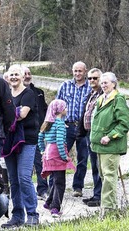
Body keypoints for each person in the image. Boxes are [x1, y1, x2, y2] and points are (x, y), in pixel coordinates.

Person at [1, 65, 39, 228]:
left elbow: (22, 114)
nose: (14, 77)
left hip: (27, 140)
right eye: (12, 75)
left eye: (17, 74)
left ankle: (32, 214)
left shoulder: (28, 94)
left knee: (24, 177)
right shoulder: (6, 94)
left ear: (23, 77)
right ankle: (17, 216)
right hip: (9, 140)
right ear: (7, 78)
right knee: (13, 180)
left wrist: (5, 113)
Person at [90, 72, 129, 214]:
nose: (103, 85)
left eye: (106, 82)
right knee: (103, 177)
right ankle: (106, 207)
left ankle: (108, 210)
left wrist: (110, 136)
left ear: (114, 83)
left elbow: (124, 124)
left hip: (111, 146)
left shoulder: (118, 99)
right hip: (99, 146)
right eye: (102, 82)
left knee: (109, 177)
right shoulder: (101, 98)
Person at [56, 61, 91, 198]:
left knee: (83, 157)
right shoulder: (65, 85)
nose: (77, 74)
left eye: (80, 71)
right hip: (67, 125)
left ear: (85, 71)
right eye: (75, 71)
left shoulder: (90, 87)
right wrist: (58, 123)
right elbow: (56, 105)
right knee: (60, 156)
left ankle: (78, 186)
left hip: (83, 126)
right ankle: (56, 186)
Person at [38, 99, 73, 218]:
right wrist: (65, 157)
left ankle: (48, 202)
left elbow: (40, 137)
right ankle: (55, 208)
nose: (67, 110)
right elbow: (59, 141)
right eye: (65, 108)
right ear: (60, 110)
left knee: (56, 180)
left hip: (48, 154)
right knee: (60, 182)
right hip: (57, 155)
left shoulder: (48, 123)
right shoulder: (60, 124)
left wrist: (43, 150)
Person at [23, 66, 49, 200]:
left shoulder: (39, 92)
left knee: (41, 162)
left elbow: (45, 111)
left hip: (38, 134)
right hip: (21, 135)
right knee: (24, 166)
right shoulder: (14, 92)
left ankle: (43, 189)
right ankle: (25, 192)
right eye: (24, 74)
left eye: (29, 73)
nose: (27, 76)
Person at [78, 68, 103, 207]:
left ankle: (99, 196)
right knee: (93, 165)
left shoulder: (103, 94)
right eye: (90, 78)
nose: (92, 81)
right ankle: (96, 194)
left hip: (98, 135)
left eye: (95, 78)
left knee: (99, 166)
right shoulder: (91, 93)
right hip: (89, 134)